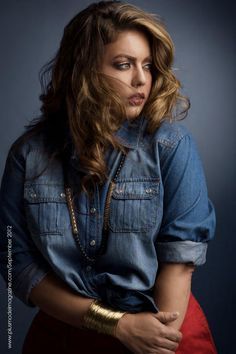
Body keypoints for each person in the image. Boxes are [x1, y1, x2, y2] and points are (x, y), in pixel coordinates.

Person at [0, 1, 217, 353]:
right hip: (67, 330)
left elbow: (180, 260)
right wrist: (114, 324)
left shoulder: (172, 146)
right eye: (123, 64)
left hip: (163, 324)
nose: (142, 79)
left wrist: (157, 341)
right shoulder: (28, 155)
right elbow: (16, 263)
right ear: (82, 70)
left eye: (147, 65)